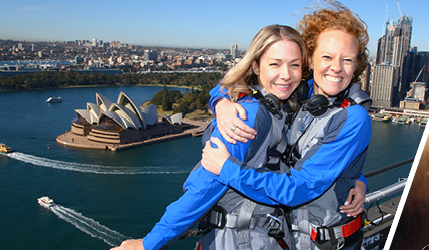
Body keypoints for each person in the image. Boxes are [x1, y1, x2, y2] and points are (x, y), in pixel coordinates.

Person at [112, 24, 366, 250]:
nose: (286, 75)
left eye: (294, 64)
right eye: (274, 63)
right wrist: (221, 101)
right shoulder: (248, 115)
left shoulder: (305, 99)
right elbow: (203, 187)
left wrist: (355, 176)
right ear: (256, 65)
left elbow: (318, 158)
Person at [203, 2, 372, 249]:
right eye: (327, 56)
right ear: (310, 61)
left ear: (356, 65)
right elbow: (232, 81)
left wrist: (227, 168)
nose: (336, 67)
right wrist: (221, 103)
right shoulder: (301, 92)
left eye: (347, 60)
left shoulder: (353, 116)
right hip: (291, 237)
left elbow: (298, 189)